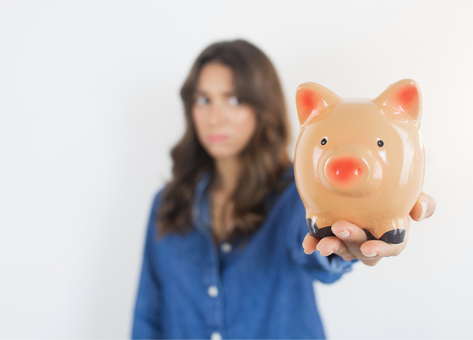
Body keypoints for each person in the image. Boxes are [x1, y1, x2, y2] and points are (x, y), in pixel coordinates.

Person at [131, 39, 436, 339]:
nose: (215, 117)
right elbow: (148, 313)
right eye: (203, 99)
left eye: (234, 100)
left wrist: (357, 235)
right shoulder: (167, 204)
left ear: (264, 107)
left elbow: (311, 237)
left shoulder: (296, 193)